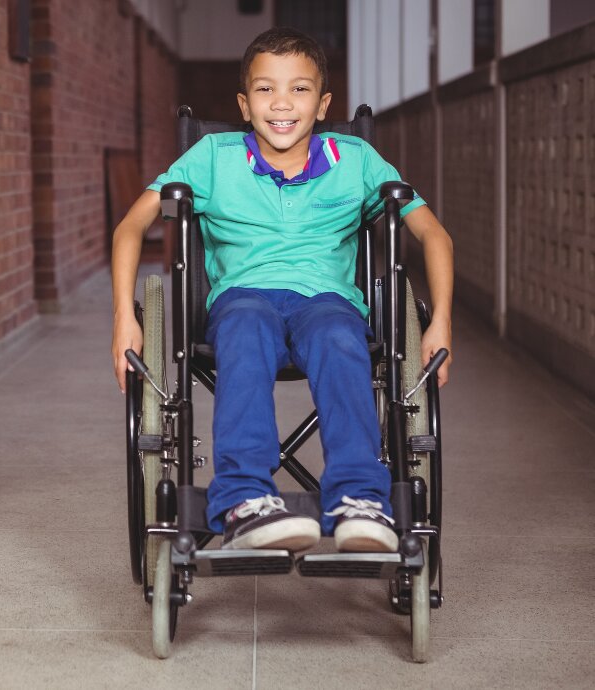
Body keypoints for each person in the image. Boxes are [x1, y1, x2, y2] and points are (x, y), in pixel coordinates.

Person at [111, 28, 453, 553]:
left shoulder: (356, 158)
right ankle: (245, 498)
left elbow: (433, 233)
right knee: (245, 331)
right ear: (245, 105)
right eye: (266, 90)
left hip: (327, 303)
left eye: (299, 89)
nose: (282, 105)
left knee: (342, 338)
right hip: (243, 299)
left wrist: (441, 321)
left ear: (323, 103)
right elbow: (130, 227)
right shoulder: (212, 156)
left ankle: (359, 499)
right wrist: (124, 319)